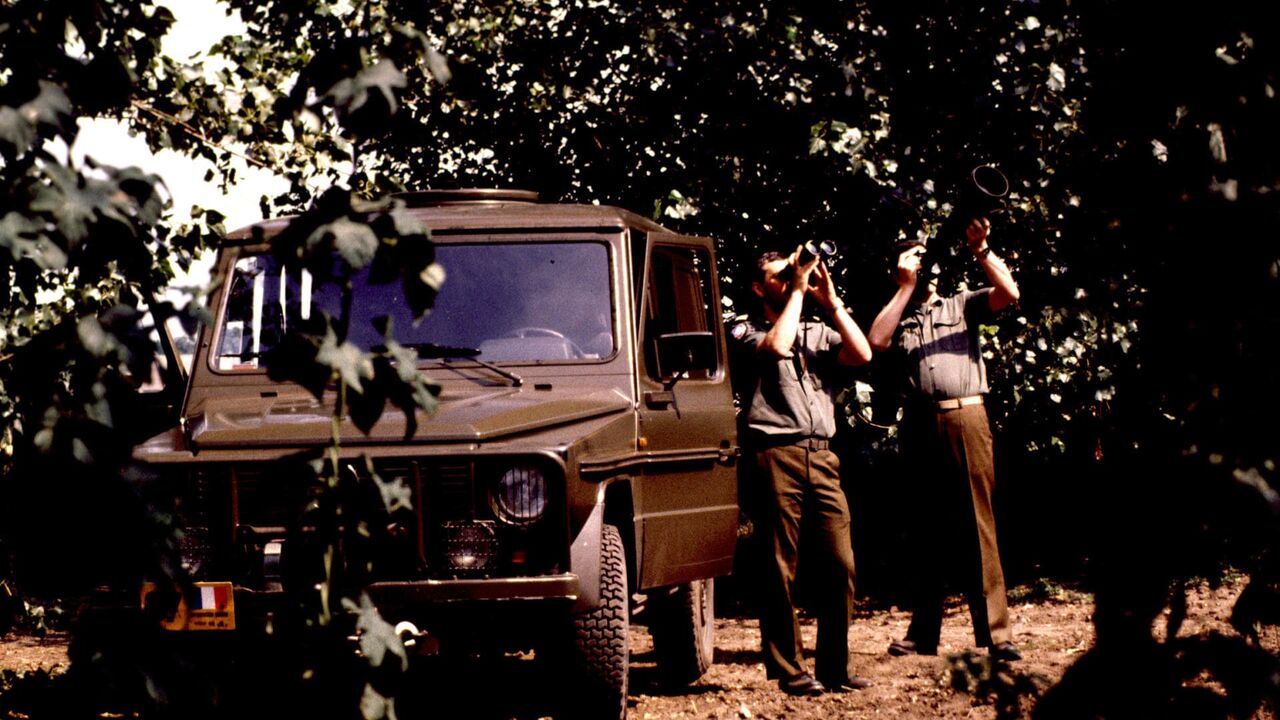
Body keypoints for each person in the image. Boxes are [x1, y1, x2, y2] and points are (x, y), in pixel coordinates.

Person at [867, 216, 1022, 662]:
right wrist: (904, 288)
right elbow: (876, 341)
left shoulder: (961, 304)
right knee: (925, 529)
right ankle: (924, 634)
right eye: (912, 259)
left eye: (925, 258)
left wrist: (981, 249)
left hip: (965, 417)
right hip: (920, 423)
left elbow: (1009, 293)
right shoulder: (898, 313)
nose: (923, 265)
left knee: (978, 524)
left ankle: (997, 634)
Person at [729, 246, 874, 696]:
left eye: (791, 273)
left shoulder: (815, 330)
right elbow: (776, 346)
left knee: (840, 563)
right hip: (775, 454)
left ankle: (835, 667)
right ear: (758, 288)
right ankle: (789, 668)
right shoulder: (743, 329)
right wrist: (797, 289)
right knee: (778, 566)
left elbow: (863, 354)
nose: (792, 278)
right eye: (780, 275)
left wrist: (832, 303)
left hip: (823, 455)